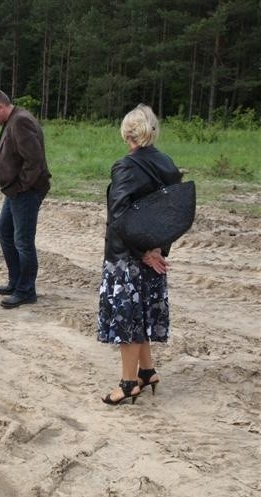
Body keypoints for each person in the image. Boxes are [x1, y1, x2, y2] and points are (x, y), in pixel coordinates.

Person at [99, 104, 181, 405]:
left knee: (128, 322)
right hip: (153, 254)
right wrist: (158, 249)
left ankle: (128, 382)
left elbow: (119, 217)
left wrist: (144, 252)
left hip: (128, 257)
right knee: (142, 314)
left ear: (126, 133)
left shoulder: (125, 166)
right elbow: (176, 214)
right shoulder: (167, 164)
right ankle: (147, 372)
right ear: (153, 130)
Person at [0, 89, 51, 309]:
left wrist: (21, 186)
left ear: (1, 107)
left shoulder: (20, 121)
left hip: (25, 192)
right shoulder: (13, 119)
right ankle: (16, 281)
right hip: (15, 191)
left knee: (23, 241)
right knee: (4, 231)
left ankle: (26, 290)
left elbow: (34, 160)